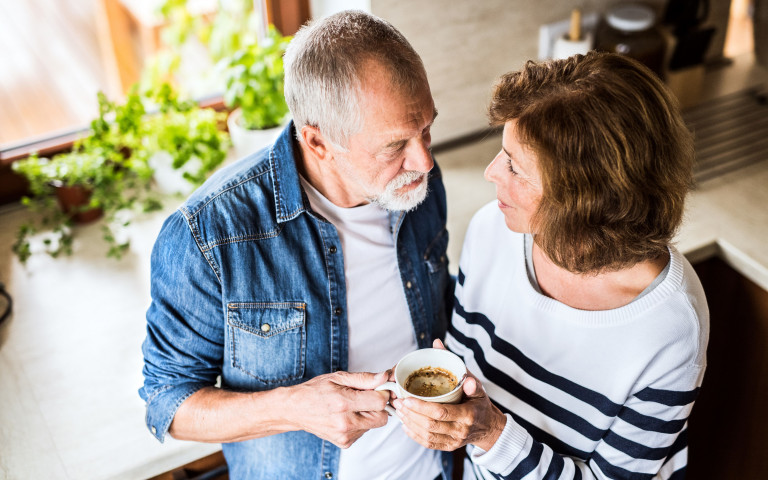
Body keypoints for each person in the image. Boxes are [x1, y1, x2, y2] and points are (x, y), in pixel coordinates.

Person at [139, 10, 454, 480]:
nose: (424, 160)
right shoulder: (209, 235)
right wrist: (294, 408)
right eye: (394, 145)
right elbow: (167, 403)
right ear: (318, 141)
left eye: (425, 129)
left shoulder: (413, 186)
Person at [391, 51, 709, 480]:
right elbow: (469, 376)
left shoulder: (669, 328)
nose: (490, 174)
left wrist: (490, 434)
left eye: (515, 169)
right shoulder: (493, 230)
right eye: (501, 153)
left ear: (585, 202)